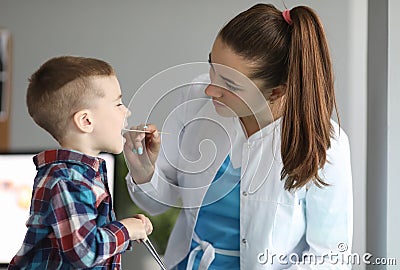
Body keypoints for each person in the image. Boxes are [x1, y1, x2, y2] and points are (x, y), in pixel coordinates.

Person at [124, 3, 353, 270]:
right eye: (212, 67)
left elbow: (330, 256)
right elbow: (154, 203)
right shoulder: (195, 97)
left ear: (277, 91)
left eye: (230, 84)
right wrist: (144, 171)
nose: (210, 89)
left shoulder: (325, 144)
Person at [8, 56, 153, 269]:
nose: (126, 112)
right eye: (118, 104)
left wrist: (128, 228)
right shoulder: (65, 178)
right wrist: (126, 229)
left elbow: (86, 235)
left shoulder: (83, 174)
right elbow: (85, 252)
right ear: (86, 121)